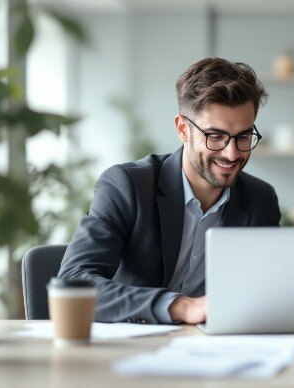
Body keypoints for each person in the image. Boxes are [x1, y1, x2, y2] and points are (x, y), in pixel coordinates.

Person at [59, 58, 281, 324]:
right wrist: (182, 307)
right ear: (182, 129)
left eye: (243, 137)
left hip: (216, 349)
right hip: (135, 346)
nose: (231, 152)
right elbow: (74, 282)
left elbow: (269, 291)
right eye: (215, 136)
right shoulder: (127, 186)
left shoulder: (260, 199)